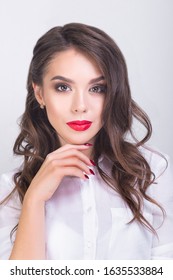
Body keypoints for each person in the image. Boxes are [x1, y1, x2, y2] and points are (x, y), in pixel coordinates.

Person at [0, 23, 173, 260]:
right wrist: (34, 199)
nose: (80, 105)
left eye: (97, 88)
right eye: (63, 87)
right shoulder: (11, 190)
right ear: (40, 94)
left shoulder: (153, 171)